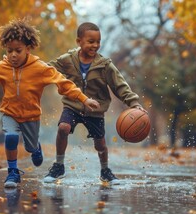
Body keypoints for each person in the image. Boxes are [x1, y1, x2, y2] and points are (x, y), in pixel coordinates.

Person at [0, 19, 100, 188]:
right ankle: (13, 172)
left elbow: (63, 83)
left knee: (30, 148)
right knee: (10, 137)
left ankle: (35, 147)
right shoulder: (2, 66)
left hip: (31, 116)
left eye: (18, 50)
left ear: (28, 48)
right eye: (9, 51)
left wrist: (84, 99)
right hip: (10, 112)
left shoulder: (40, 68)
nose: (13, 55)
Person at [43, 22, 146, 185]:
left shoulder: (105, 65)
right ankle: (58, 166)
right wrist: (29, 67)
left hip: (95, 110)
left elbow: (120, 85)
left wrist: (133, 102)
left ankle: (105, 170)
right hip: (73, 105)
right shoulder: (67, 60)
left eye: (98, 41)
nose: (95, 45)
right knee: (63, 128)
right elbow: (46, 69)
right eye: (91, 41)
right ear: (79, 41)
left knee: (100, 145)